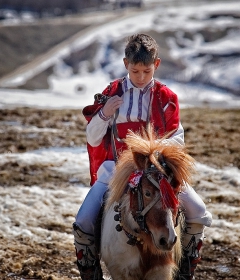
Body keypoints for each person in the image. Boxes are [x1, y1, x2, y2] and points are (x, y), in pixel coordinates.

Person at [73, 33, 212, 280]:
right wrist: (104, 114)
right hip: (114, 172)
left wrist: (153, 153)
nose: (140, 77)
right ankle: (92, 273)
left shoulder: (166, 97)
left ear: (156, 65)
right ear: (126, 64)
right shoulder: (111, 93)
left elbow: (177, 139)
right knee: (84, 221)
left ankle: (184, 271)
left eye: (147, 71)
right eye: (135, 71)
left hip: (157, 171)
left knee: (198, 211)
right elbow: (93, 138)